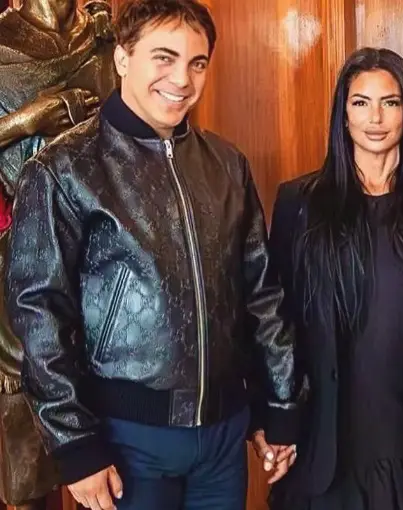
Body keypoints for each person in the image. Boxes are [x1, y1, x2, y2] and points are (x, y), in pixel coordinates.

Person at [3, 1, 299, 510]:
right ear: (122, 58)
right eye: (164, 57)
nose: (181, 79)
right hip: (126, 442)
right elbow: (39, 315)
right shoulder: (63, 169)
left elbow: (261, 294)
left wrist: (280, 405)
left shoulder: (227, 163)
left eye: (197, 62)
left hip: (224, 437)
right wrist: (75, 446)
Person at [250, 47, 403, 510]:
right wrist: (272, 417)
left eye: (390, 102)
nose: (375, 118)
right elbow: (271, 320)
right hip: (322, 445)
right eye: (361, 102)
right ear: (343, 115)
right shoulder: (299, 203)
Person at [0, 1, 116, 508]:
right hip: (22, 261)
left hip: (107, 257)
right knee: (29, 453)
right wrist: (26, 121)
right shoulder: (3, 38)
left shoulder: (107, 36)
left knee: (119, 456)